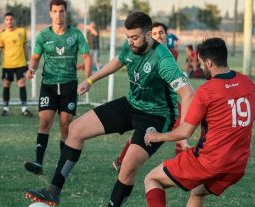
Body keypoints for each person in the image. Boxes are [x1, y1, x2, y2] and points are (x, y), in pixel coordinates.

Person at [24, 12, 194, 207]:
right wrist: (90, 80)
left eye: (135, 37)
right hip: (131, 104)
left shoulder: (163, 59)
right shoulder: (131, 46)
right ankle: (53, 191)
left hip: (156, 116)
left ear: (149, 35)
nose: (130, 42)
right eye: (128, 37)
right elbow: (118, 61)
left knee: (128, 167)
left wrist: (183, 133)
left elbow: (188, 93)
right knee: (76, 129)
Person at [143, 37, 255, 207]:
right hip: (237, 166)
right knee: (198, 191)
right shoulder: (247, 83)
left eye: (201, 63)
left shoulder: (206, 91)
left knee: (152, 179)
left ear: (209, 62)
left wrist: (158, 136)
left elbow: (186, 131)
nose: (200, 67)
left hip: (208, 162)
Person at [112, 21, 191, 172]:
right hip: (153, 103)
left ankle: (179, 166)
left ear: (166, 35)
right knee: (147, 135)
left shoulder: (171, 53)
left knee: (182, 129)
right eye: (154, 34)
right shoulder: (149, 52)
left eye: (161, 33)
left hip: (167, 101)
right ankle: (122, 159)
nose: (158, 36)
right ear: (149, 36)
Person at [23, 0, 92, 175]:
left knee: (65, 124)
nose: (58, 14)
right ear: (50, 13)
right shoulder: (43, 36)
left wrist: (88, 80)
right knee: (45, 121)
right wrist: (32, 69)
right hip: (49, 85)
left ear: (65, 12)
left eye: (61, 11)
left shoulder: (76, 34)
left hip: (69, 85)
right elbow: (36, 57)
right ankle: (38, 163)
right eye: (55, 11)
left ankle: (62, 165)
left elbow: (86, 57)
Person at [0, 12, 33, 117]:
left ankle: (24, 109)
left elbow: (25, 48)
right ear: (4, 21)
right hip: (7, 65)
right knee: (6, 85)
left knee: (22, 84)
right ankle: (5, 109)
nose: (9, 21)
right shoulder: (2, 34)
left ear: (14, 20)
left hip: (21, 64)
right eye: (7, 19)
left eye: (11, 19)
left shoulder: (21, 31)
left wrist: (28, 62)